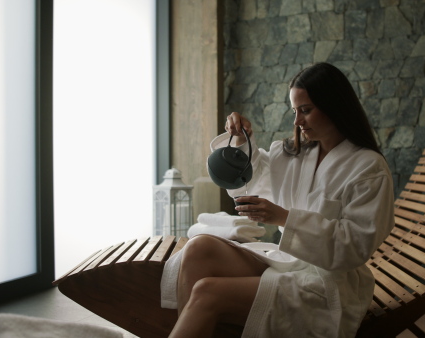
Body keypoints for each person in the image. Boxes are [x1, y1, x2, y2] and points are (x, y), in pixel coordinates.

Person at [160, 62, 394, 337]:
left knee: (206, 292)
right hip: (288, 260)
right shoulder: (294, 155)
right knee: (199, 250)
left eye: (306, 110)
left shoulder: (368, 168)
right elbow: (249, 185)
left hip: (329, 281)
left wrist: (283, 217)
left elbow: (354, 247)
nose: (297, 121)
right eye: (294, 111)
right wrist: (240, 140)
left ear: (334, 107)